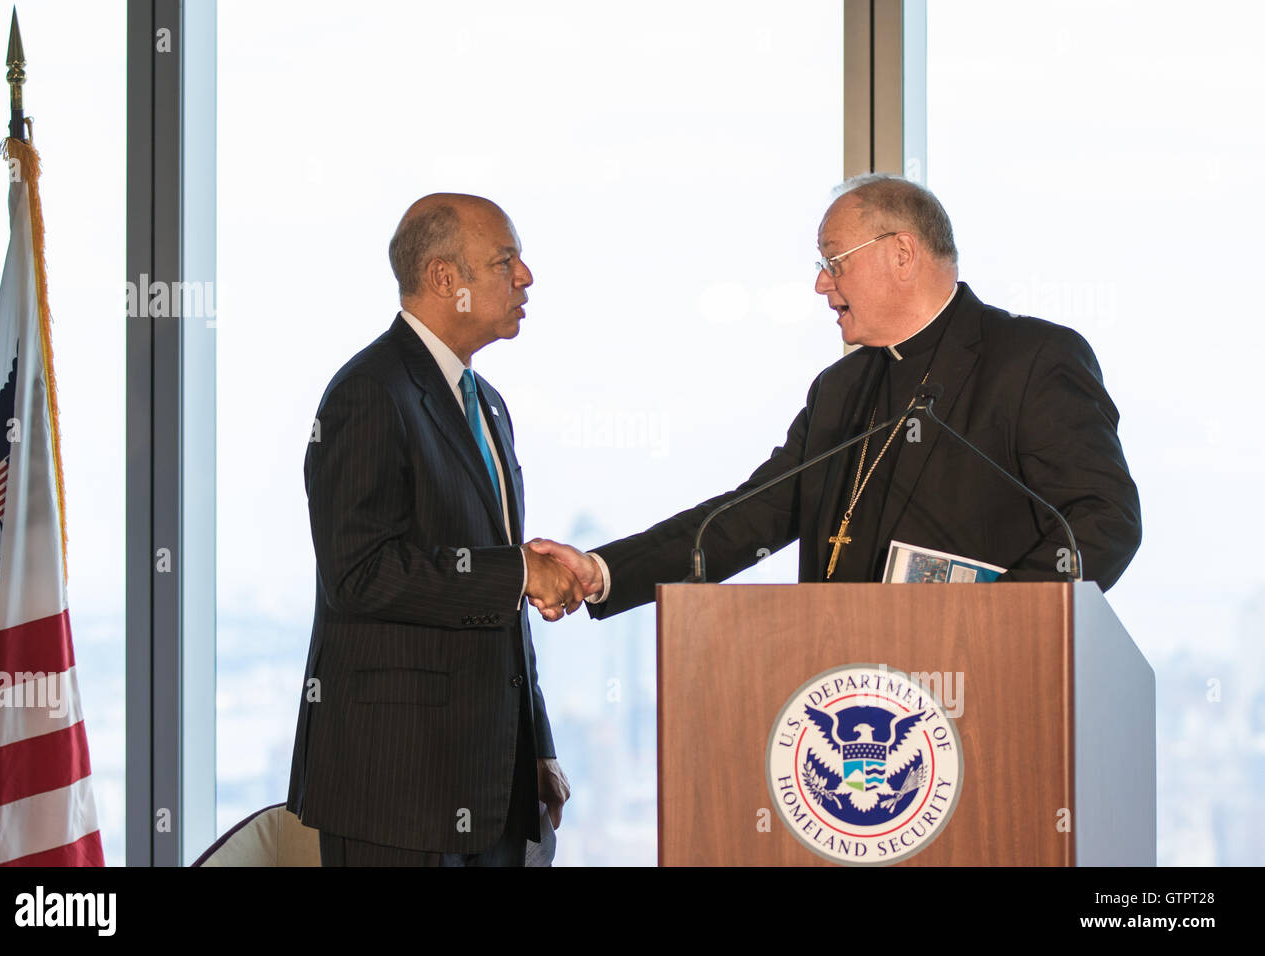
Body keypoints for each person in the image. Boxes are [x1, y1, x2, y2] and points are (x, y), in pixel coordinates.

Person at [530, 174, 1142, 614]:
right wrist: (605, 571)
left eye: (834, 261)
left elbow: (1103, 521)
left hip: (980, 696)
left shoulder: (1030, 359)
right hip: (841, 692)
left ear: (902, 253)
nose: (822, 284)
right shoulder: (840, 390)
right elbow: (748, 518)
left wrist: (991, 627)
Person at [287, 193, 584, 866]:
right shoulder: (369, 393)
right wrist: (518, 572)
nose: (526, 277)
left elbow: (501, 602)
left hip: (495, 789)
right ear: (445, 280)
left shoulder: (490, 407)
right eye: (506, 261)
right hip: (396, 793)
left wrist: (532, 747)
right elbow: (359, 575)